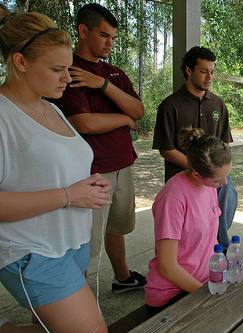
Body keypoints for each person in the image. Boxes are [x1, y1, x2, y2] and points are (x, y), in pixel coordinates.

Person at [0, 5, 111, 332]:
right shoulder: (4, 115)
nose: (68, 77)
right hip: (32, 252)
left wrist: (87, 185)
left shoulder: (50, 106)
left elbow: (48, 169)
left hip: (70, 243)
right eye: (57, 69)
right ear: (20, 62)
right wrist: (68, 194)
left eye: (69, 68)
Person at [51, 3, 146, 293]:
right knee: (84, 241)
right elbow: (83, 123)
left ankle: (123, 277)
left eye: (113, 37)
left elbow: (139, 110)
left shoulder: (113, 73)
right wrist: (124, 119)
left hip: (122, 163)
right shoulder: (68, 73)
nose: (110, 43)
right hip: (90, 171)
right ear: (83, 31)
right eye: (104, 35)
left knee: (117, 228)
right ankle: (75, 298)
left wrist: (103, 84)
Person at [153, 46, 237, 250]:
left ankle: (220, 248)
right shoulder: (170, 105)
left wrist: (213, 171)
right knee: (189, 237)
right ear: (189, 70)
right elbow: (166, 149)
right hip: (182, 177)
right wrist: (199, 168)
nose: (209, 77)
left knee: (228, 191)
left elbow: (224, 143)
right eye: (203, 71)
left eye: (212, 71)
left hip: (213, 175)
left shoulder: (218, 104)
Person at [145, 127, 231, 316]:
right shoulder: (173, 198)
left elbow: (211, 238)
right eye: (219, 180)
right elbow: (167, 267)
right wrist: (207, 294)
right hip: (172, 294)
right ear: (197, 174)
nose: (225, 183)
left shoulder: (207, 186)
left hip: (202, 283)